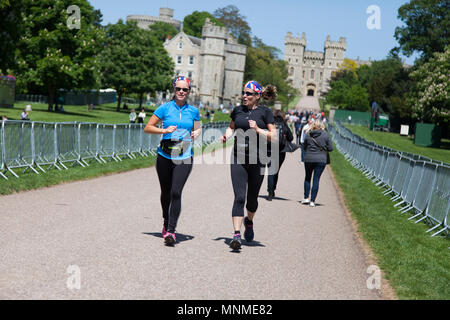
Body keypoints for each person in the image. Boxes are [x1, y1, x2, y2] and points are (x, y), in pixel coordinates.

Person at [220, 80, 277, 251]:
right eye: (243, 93)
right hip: (238, 157)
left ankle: (249, 221)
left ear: (257, 96)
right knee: (239, 197)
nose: (244, 96)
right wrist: (227, 135)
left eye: (248, 94)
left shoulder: (265, 112)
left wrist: (259, 130)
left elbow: (274, 136)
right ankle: (236, 235)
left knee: (252, 200)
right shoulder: (238, 110)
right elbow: (231, 127)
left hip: (258, 160)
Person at [144, 76, 201, 246]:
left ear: (189, 91)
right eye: (178, 89)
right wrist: (163, 130)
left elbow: (197, 128)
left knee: (176, 192)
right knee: (166, 192)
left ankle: (171, 230)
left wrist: (196, 133)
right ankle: (165, 219)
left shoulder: (193, 111)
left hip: (184, 156)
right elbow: (148, 127)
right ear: (173, 90)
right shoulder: (164, 108)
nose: (181, 92)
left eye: (185, 89)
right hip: (164, 155)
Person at [301, 119, 333, 207]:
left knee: (307, 177)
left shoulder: (308, 134)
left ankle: (306, 197)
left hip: (309, 158)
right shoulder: (325, 135)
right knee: (316, 179)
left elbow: (304, 147)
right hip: (321, 159)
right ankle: (312, 201)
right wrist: (324, 147)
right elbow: (331, 148)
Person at [266, 108, 294, 201]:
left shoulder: (270, 124)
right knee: (276, 171)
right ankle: (273, 189)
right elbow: (291, 137)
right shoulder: (284, 125)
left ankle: (270, 193)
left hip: (269, 150)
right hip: (281, 152)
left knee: (270, 171)